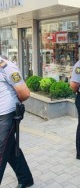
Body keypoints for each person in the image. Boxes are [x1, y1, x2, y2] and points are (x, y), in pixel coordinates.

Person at [0, 56, 34, 188]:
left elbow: (24, 93)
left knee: (1, 152)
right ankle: (25, 178)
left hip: (7, 116)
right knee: (9, 147)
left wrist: (14, 105)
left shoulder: (7, 67)